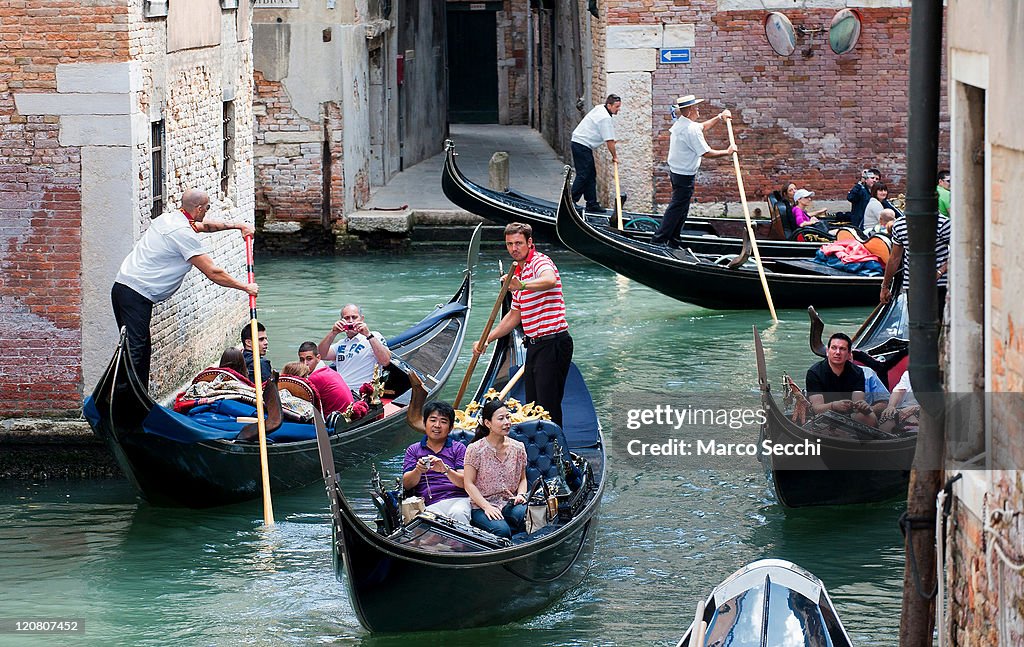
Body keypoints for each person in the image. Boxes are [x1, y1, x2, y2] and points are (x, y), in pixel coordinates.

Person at [111, 188, 256, 386]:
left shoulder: (169, 219)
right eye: (207, 207)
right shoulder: (182, 233)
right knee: (135, 352)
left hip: (124, 288)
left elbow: (205, 226)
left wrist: (237, 225)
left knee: (141, 350)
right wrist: (246, 287)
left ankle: (138, 402)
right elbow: (213, 272)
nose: (207, 211)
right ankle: (122, 406)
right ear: (198, 208)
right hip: (136, 293)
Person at [473, 222, 573, 427]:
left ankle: (556, 453)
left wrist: (523, 285)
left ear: (529, 242)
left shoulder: (539, 262)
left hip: (553, 343)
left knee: (547, 408)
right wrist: (487, 340)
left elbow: (550, 280)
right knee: (533, 405)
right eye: (509, 244)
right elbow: (514, 316)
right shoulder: (518, 273)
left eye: (518, 243)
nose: (513, 248)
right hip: (534, 345)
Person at [650, 95, 736, 247]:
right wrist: (727, 152)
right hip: (684, 176)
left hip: (677, 173)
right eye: (696, 108)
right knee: (677, 208)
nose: (698, 111)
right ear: (689, 111)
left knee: (682, 208)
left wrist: (719, 117)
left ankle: (674, 240)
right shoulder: (690, 130)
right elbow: (706, 152)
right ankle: (659, 240)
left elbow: (702, 126)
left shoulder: (682, 123)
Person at [463, 399, 528, 538]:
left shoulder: (518, 447)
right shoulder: (475, 449)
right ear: (488, 423)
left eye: (508, 417)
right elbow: (468, 483)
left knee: (528, 515)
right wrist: (486, 506)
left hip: (510, 502)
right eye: (501, 418)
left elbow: (523, 479)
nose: (507, 422)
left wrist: (521, 495)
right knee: (502, 531)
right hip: (481, 505)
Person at [402, 401, 472, 525]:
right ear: (425, 423)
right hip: (430, 502)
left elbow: (464, 482)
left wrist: (445, 470)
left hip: (458, 499)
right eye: (433, 420)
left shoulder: (459, 448)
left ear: (450, 428)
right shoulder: (413, 450)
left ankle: (460, 545)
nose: (437, 425)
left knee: (459, 513)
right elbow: (407, 485)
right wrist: (418, 470)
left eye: (443, 422)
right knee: (433, 521)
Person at [805, 333, 881, 427]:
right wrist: (833, 406)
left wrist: (862, 406)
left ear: (849, 354)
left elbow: (857, 402)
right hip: (823, 416)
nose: (837, 352)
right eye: (834, 348)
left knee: (868, 416)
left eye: (842, 349)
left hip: (850, 415)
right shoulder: (814, 372)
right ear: (827, 351)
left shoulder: (858, 372)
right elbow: (816, 408)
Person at [880, 209, 951, 305]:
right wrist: (885, 287)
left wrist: (940, 271)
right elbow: (894, 258)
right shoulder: (900, 225)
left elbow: (958, 254)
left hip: (939, 284)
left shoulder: (943, 223)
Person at [318, 304, 392, 388]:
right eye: (346, 318)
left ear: (362, 319)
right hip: (341, 390)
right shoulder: (340, 344)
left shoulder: (374, 336)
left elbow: (385, 361)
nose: (350, 321)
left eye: (354, 317)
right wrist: (333, 333)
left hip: (363, 391)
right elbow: (320, 355)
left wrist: (368, 335)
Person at [570, 94, 621, 211]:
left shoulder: (600, 108)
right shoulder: (605, 118)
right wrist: (615, 157)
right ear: (609, 105)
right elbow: (609, 141)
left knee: (591, 174)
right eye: (617, 107)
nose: (618, 109)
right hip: (582, 145)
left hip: (580, 144)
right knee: (583, 174)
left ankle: (592, 203)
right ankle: (571, 200)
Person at [296, 341, 354, 415]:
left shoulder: (315, 378)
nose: (305, 363)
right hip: (347, 414)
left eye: (309, 359)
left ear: (318, 358)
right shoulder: (328, 370)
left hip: (335, 421)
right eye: (302, 360)